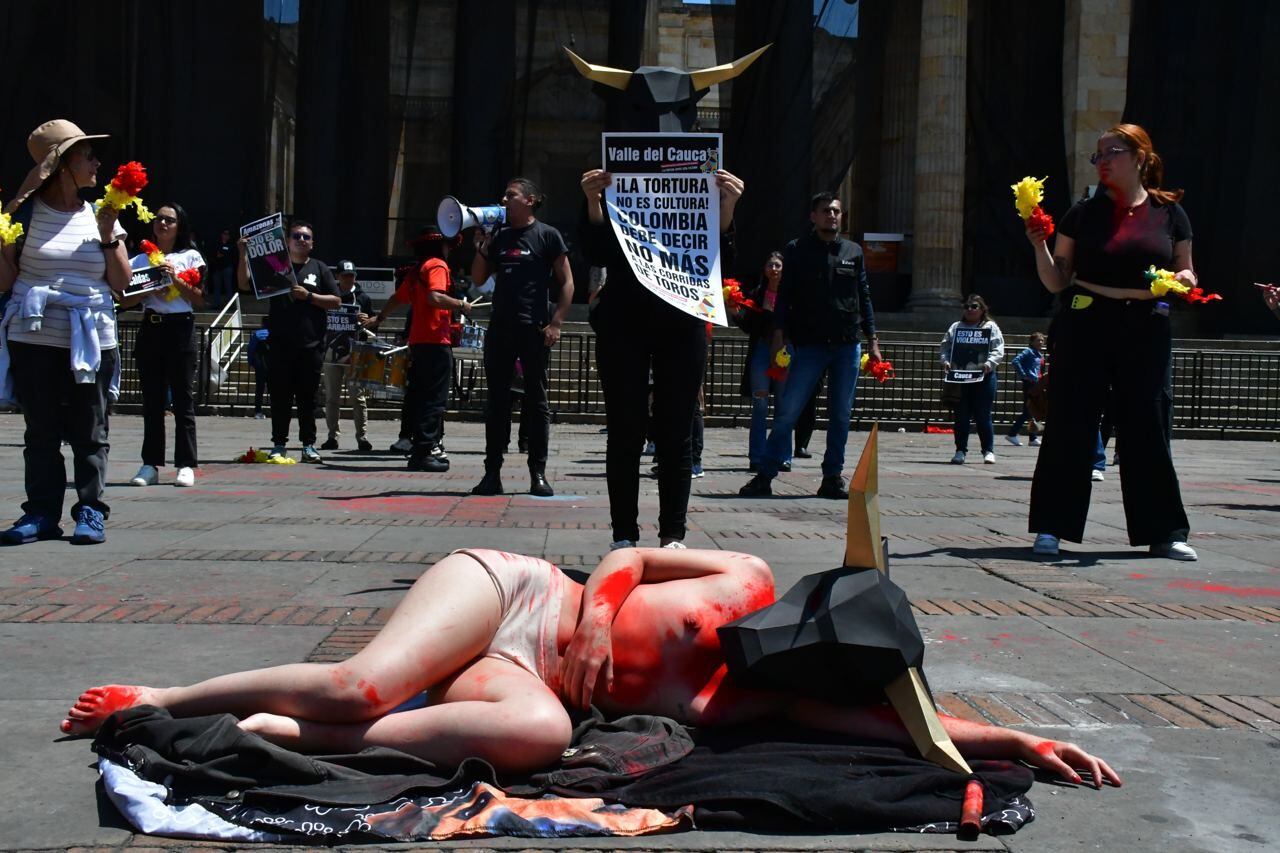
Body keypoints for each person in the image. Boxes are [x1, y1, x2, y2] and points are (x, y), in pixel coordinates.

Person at [59, 547, 1121, 789]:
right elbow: (624, 552)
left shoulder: (766, 693)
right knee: (358, 684)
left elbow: (904, 731)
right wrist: (603, 614)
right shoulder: (742, 577)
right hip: (521, 594)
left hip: (526, 684)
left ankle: (281, 734)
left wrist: (1009, 740)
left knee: (540, 740)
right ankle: (170, 695)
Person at [1025, 123, 1197, 560]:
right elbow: (1056, 280)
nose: (1102, 161)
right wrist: (1039, 246)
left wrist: (1182, 280)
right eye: (1097, 155)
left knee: (1148, 422)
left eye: (1111, 152)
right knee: (1071, 421)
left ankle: (1165, 531)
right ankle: (1051, 527)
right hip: (1088, 320)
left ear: (1139, 157)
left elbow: (1187, 269)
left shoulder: (1170, 213)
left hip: (1147, 325)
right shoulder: (1082, 213)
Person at [580, 168, 744, 548]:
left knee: (677, 432)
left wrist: (728, 206)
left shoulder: (701, 198)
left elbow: (724, 259)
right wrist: (593, 201)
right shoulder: (617, 190)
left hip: (682, 320)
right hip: (624, 320)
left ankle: (672, 535)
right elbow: (597, 252)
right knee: (624, 430)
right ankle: (623, 536)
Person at [0, 120, 129, 546]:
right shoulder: (22, 215)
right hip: (35, 338)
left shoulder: (101, 214)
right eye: (87, 155)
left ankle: (90, 510)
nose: (97, 163)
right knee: (41, 431)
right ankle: (40, 514)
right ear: (62, 165)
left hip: (90, 339)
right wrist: (2, 248)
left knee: (90, 431)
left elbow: (121, 284)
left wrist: (109, 236)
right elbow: (5, 283)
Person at [740, 192, 881, 499]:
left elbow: (864, 297)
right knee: (788, 411)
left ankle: (832, 477)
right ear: (813, 217)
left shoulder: (853, 251)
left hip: (846, 344)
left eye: (837, 211)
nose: (832, 215)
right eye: (826, 211)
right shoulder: (797, 250)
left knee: (841, 415)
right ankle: (765, 474)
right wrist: (778, 334)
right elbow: (785, 296)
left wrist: (873, 340)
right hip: (809, 345)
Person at [470, 178, 573, 498]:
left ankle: (537, 473)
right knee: (497, 403)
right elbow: (477, 278)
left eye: (510, 195)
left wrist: (556, 322)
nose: (504, 199)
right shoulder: (498, 236)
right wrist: (481, 247)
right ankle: (492, 473)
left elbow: (567, 282)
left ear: (529, 200)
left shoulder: (547, 235)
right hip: (501, 329)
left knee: (537, 401)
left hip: (535, 329)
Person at [236, 218, 341, 463]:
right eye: (296, 236)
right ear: (286, 241)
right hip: (280, 345)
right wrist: (243, 253)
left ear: (312, 243)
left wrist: (309, 296)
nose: (301, 240)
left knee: (307, 399)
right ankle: (279, 444)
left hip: (311, 346)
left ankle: (308, 445)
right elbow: (243, 284)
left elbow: (336, 301)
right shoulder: (274, 267)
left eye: (306, 237)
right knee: (280, 397)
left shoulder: (319, 267)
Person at [367, 227, 472, 472]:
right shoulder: (437, 265)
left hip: (418, 342)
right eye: (447, 245)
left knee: (422, 397)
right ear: (439, 246)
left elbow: (396, 298)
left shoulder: (416, 271)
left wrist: (379, 318)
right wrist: (460, 304)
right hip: (435, 342)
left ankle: (419, 449)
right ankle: (424, 451)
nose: (450, 250)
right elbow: (435, 297)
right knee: (435, 400)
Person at [120, 202, 206, 488]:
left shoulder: (190, 256)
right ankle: (150, 464)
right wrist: (149, 289)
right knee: (152, 401)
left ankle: (185, 463)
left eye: (169, 220)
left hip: (180, 327)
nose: (163, 224)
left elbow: (199, 297)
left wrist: (173, 278)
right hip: (152, 326)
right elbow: (125, 299)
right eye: (158, 219)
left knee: (183, 399)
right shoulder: (140, 259)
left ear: (179, 225)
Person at [734, 252, 792, 473]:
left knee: (783, 405)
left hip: (784, 351)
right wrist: (734, 311)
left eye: (778, 265)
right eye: (770, 265)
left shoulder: (791, 295)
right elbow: (749, 325)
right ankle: (757, 456)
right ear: (765, 269)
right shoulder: (758, 294)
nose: (774, 269)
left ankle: (782, 455)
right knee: (760, 404)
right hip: (761, 349)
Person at [940, 295, 1004, 465]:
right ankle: (960, 450)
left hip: (984, 377)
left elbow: (998, 349)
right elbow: (945, 347)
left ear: (982, 309)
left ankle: (988, 451)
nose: (969, 309)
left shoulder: (991, 327)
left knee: (983, 415)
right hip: (961, 378)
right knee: (961, 415)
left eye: (974, 306)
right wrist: (945, 361)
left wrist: (989, 364)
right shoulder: (956, 327)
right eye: (966, 306)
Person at [320, 260, 373, 452]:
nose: (348, 279)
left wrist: (367, 320)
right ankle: (332, 436)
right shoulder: (329, 296)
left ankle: (362, 437)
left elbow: (373, 326)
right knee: (332, 397)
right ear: (337, 277)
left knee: (358, 398)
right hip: (332, 352)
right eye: (344, 276)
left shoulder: (363, 298)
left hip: (355, 353)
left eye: (351, 276)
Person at [1006, 331, 1045, 447]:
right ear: (1032, 342)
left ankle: (1032, 438)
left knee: (1031, 410)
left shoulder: (1038, 353)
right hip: (1030, 384)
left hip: (1036, 383)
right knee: (1028, 410)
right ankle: (1012, 434)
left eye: (1042, 340)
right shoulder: (1028, 351)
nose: (1041, 342)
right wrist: (1024, 374)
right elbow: (1015, 361)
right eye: (1038, 340)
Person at [247, 317, 269, 419]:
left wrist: (251, 362)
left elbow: (251, 349)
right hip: (272, 365)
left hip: (260, 365)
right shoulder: (275, 333)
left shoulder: (257, 334)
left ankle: (258, 411)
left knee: (259, 389)